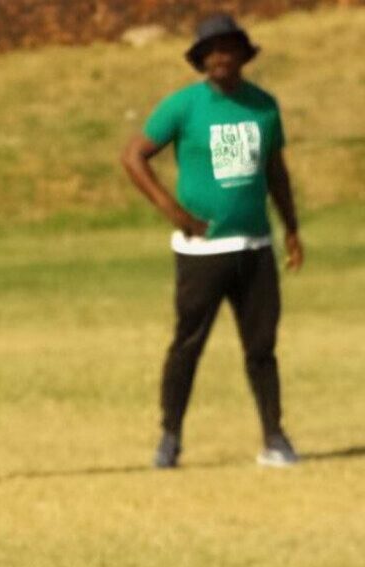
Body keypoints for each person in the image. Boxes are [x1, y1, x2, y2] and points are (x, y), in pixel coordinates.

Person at [122, 12, 303, 469]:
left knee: (261, 347)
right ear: (202, 60)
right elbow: (134, 157)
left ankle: (274, 437)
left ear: (243, 54)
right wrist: (174, 212)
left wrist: (291, 228)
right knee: (188, 344)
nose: (221, 58)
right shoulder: (182, 107)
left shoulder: (263, 106)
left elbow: (275, 171)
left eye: (229, 49)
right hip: (203, 252)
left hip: (255, 248)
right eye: (212, 51)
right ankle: (170, 438)